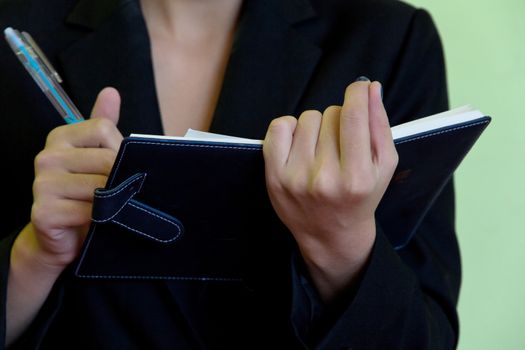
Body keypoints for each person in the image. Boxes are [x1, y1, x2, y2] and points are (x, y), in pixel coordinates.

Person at [0, 0, 461, 348]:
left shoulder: (390, 37)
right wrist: (34, 257)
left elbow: (426, 337)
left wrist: (341, 243)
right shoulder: (19, 25)